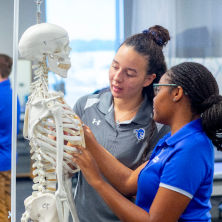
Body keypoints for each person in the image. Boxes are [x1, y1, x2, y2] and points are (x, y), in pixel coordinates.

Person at [72, 62, 222, 221]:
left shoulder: (191, 149)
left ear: (176, 93)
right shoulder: (171, 140)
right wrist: (89, 140)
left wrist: (97, 181)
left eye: (158, 90)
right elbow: (128, 182)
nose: (154, 98)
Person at [73, 25, 171, 221]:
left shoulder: (160, 124)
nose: (117, 78)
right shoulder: (86, 105)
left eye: (130, 73)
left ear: (148, 79)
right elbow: (69, 165)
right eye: (115, 66)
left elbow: (134, 183)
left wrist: (90, 144)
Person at [0, 54, 20, 221]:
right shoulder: (13, 95)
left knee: (1, 210)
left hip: (0, 160)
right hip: (9, 159)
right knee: (7, 206)